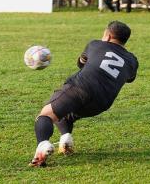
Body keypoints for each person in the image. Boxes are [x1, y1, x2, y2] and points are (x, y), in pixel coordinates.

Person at [29, 21, 138, 167]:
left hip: (80, 88)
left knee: (46, 115)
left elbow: (81, 64)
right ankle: (66, 138)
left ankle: (42, 144)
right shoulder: (132, 60)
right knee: (66, 113)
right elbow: (130, 78)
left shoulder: (95, 44)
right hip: (102, 102)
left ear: (108, 35)